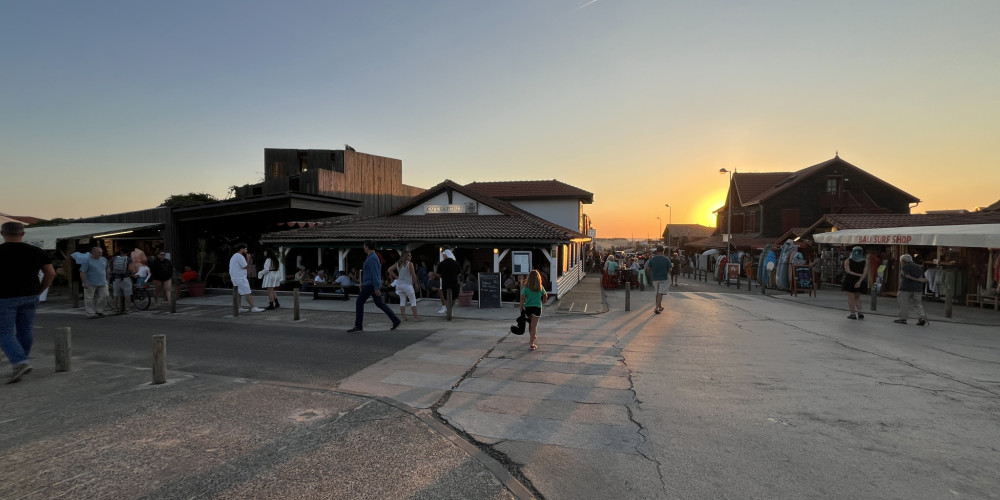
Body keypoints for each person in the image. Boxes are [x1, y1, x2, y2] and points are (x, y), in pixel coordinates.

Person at [0, 222, 55, 383]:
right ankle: (21, 361)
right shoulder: (36, 251)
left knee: (4, 332)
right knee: (25, 329)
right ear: (22, 234)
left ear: (3, 233)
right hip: (31, 295)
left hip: (5, 297)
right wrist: (40, 289)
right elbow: (50, 272)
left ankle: (19, 362)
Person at [347, 240, 401, 332]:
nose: (363, 247)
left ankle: (358, 325)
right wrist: (365, 283)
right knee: (379, 303)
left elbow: (375, 274)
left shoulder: (372, 258)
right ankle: (395, 320)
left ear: (367, 247)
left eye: (364, 246)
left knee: (359, 302)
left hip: (371, 285)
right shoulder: (372, 256)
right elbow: (371, 273)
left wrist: (376, 288)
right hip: (370, 284)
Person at [518, 269, 548, 351]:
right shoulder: (540, 287)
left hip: (528, 307)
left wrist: (521, 307)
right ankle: (532, 343)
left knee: (531, 324)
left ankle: (532, 336)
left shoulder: (526, 288)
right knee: (534, 325)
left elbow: (522, 298)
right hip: (537, 307)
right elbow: (545, 296)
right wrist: (543, 302)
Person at [894, 254, 928, 326]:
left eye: (900, 261)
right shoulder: (918, 267)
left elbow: (906, 276)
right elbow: (924, 278)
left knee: (903, 303)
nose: (900, 262)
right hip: (918, 289)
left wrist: (916, 279)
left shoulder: (905, 266)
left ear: (903, 261)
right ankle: (921, 317)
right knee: (917, 304)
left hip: (905, 288)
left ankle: (903, 319)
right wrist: (919, 280)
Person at [229, 244, 264, 313]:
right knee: (247, 292)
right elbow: (245, 266)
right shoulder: (240, 256)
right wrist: (248, 259)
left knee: (238, 293)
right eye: (245, 249)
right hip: (240, 278)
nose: (246, 250)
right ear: (241, 249)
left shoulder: (234, 256)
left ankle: (239, 308)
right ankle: (253, 307)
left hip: (235, 277)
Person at [388, 250, 421, 321]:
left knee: (402, 300)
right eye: (410, 255)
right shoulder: (410, 264)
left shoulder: (398, 263)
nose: (411, 256)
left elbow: (389, 270)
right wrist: (416, 284)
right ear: (406, 256)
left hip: (399, 284)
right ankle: (416, 317)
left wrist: (396, 277)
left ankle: (403, 317)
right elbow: (413, 275)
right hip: (407, 284)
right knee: (413, 300)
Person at [80, 246, 110, 319]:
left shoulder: (104, 259)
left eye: (101, 252)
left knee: (105, 295)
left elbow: (106, 269)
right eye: (98, 252)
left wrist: (107, 279)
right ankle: (90, 313)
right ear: (93, 253)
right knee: (89, 298)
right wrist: (84, 282)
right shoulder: (86, 260)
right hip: (90, 282)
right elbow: (82, 272)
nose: (100, 254)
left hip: (103, 281)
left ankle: (99, 310)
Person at [842, 246, 870, 320]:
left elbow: (848, 271)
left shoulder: (848, 260)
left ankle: (853, 314)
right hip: (860, 280)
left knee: (851, 298)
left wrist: (857, 274)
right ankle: (860, 313)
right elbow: (865, 273)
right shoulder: (866, 261)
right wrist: (859, 281)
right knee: (857, 298)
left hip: (849, 280)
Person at [644, 246, 673, 314]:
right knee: (660, 293)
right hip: (663, 278)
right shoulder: (666, 259)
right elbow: (670, 269)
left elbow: (648, 268)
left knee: (657, 293)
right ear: (663, 251)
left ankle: (660, 306)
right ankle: (656, 308)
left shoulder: (652, 259)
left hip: (655, 278)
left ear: (657, 251)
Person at [437, 249, 462, 319]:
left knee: (445, 297)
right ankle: (450, 309)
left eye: (443, 255)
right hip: (454, 282)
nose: (443, 256)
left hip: (445, 282)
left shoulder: (441, 263)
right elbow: (459, 274)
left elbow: (438, 274)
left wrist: (443, 276)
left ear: (446, 255)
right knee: (455, 297)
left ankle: (448, 309)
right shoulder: (456, 263)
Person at [108, 247, 133, 314]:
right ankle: (127, 309)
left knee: (116, 294)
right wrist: (132, 273)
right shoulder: (128, 259)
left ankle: (116, 309)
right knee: (127, 294)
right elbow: (130, 269)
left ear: (121, 252)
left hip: (116, 279)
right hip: (126, 278)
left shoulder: (114, 258)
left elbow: (110, 268)